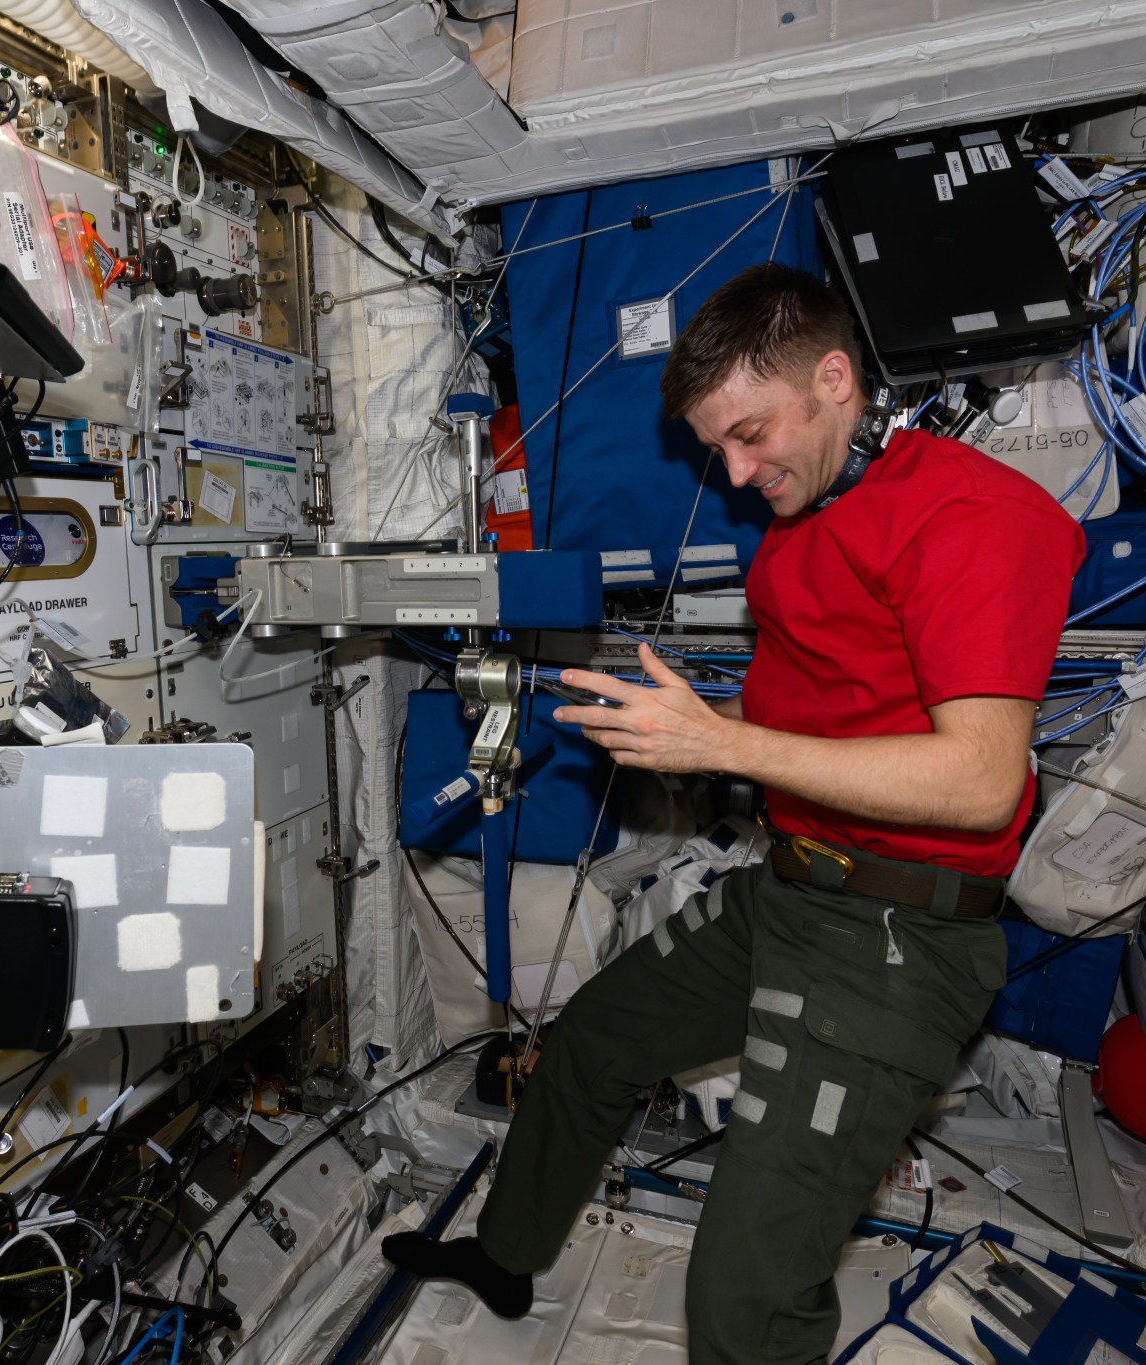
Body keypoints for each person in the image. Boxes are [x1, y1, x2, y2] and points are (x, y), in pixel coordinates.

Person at [381, 263, 1085, 1363]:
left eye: (753, 435)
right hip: (793, 886)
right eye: (720, 450)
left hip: (896, 941)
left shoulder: (975, 518)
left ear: (836, 379)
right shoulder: (814, 508)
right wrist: (685, 725)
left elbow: (982, 779)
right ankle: (505, 1256)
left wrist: (718, 745)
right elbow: (832, 707)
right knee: (589, 1046)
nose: (741, 471)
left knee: (741, 1302)